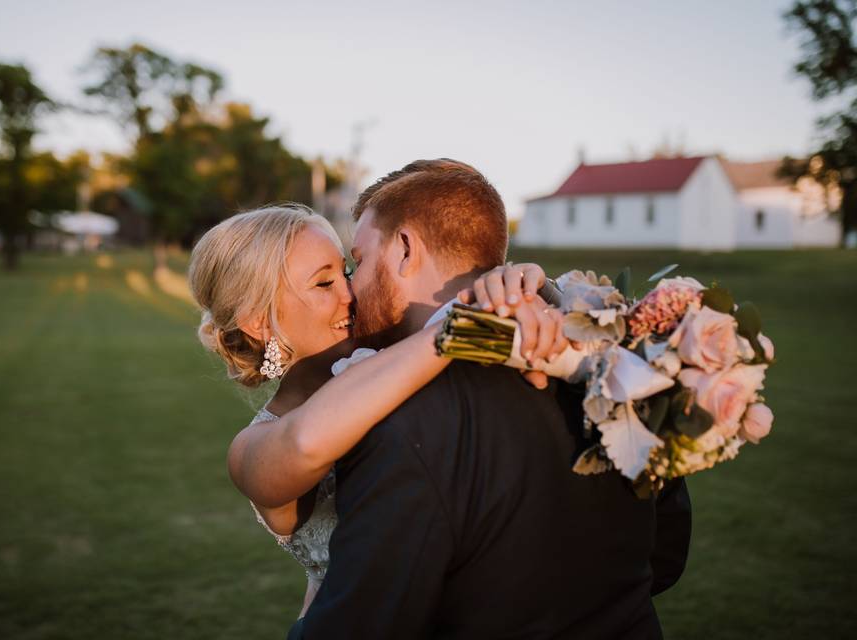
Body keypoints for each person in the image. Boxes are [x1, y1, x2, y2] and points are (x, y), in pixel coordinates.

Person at [286, 159, 692, 639]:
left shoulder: (401, 422)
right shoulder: (613, 368)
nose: (352, 287)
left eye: (359, 261)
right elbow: (663, 558)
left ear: (405, 249)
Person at [188, 201, 566, 618]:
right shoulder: (251, 452)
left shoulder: (393, 351)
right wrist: (459, 325)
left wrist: (511, 286)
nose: (350, 294)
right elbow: (306, 443)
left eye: (346, 273)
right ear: (258, 321)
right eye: (323, 284)